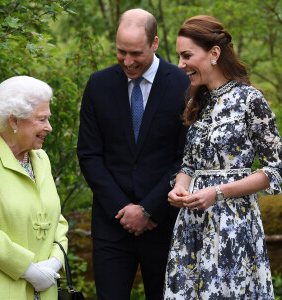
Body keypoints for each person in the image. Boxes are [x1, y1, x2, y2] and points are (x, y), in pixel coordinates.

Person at [163, 15, 282, 299]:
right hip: (192, 226)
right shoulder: (196, 101)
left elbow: (276, 169)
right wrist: (179, 187)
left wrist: (218, 192)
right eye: (179, 56)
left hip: (233, 225)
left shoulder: (250, 99)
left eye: (187, 55)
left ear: (214, 53)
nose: (180, 64)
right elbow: (189, 165)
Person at [77, 8, 190, 300]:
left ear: (154, 43)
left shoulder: (184, 84)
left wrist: (149, 209)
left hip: (166, 223)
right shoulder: (98, 85)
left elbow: (186, 157)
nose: (127, 61)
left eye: (136, 53)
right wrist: (125, 210)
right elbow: (89, 155)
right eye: (121, 51)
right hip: (112, 224)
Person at [0, 76, 68, 300]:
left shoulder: (40, 158)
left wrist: (55, 262)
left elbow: (57, 220)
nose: (49, 127)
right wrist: (28, 270)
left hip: (45, 290)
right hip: (0, 291)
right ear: (14, 121)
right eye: (41, 120)